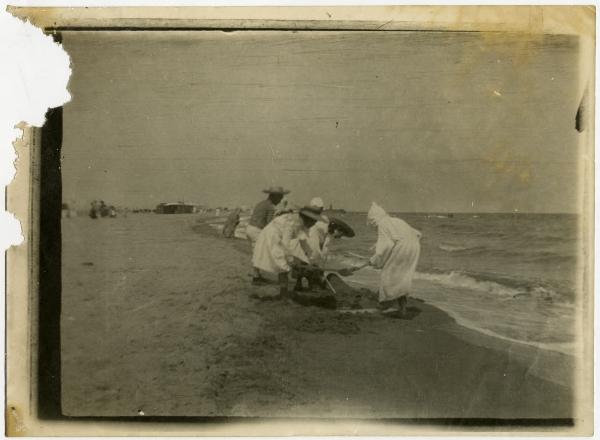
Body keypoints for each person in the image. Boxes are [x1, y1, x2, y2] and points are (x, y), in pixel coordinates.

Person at [251, 206, 325, 297]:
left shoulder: (301, 223)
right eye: (313, 221)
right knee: (283, 265)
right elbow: (286, 245)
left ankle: (283, 292)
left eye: (315, 221)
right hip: (271, 238)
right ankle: (283, 292)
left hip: (278, 238)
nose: (314, 224)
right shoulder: (291, 222)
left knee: (285, 265)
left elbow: (303, 241)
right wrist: (291, 260)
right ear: (307, 219)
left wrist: (310, 259)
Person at [367, 202, 421, 317]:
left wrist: (373, 260)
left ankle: (384, 304)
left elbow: (385, 246)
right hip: (414, 246)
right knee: (402, 277)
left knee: (388, 274)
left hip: (403, 247)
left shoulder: (382, 224)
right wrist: (377, 246)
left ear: (374, 219)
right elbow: (417, 234)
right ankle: (402, 309)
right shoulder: (396, 220)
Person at [247, 186, 290, 281]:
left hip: (250, 227)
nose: (281, 199)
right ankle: (256, 276)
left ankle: (257, 275)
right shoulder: (270, 206)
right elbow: (270, 224)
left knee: (256, 252)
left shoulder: (262, 203)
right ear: (274, 196)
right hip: (256, 229)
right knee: (259, 252)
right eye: (280, 197)